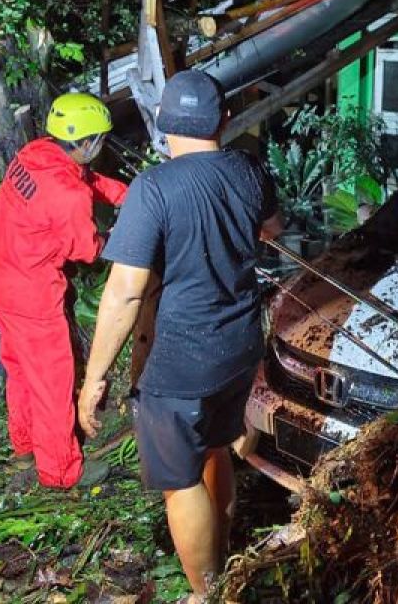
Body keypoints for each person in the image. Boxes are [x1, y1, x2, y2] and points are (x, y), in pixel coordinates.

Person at [77, 70, 282, 602]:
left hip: (182, 362)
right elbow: (273, 231)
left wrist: (93, 378)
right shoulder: (249, 169)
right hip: (239, 348)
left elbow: (124, 294)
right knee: (215, 448)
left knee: (180, 479)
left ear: (163, 126)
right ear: (226, 120)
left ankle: (206, 592)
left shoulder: (155, 188)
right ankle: (224, 561)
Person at [0, 92, 128, 489]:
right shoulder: (67, 195)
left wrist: (128, 194)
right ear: (87, 142)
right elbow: (88, 249)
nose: (102, 146)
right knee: (54, 381)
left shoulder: (36, 153)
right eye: (100, 140)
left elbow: (84, 179)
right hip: (29, 295)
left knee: (21, 370)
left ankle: (25, 447)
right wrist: (125, 234)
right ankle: (60, 472)